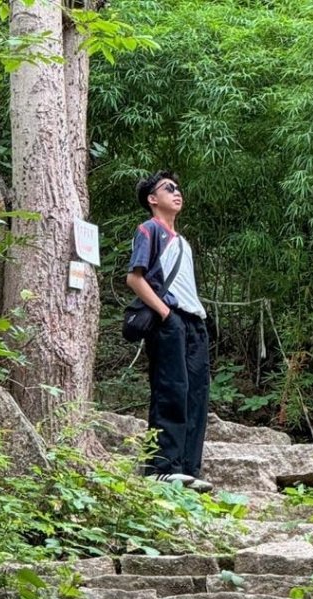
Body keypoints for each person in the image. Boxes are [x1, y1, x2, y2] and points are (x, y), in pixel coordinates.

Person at [126, 171, 212, 493]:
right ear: (152, 199)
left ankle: (189, 469)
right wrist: (165, 313)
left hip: (195, 323)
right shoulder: (149, 230)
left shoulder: (183, 242)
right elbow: (134, 278)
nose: (177, 193)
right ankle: (162, 468)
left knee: (196, 394)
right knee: (171, 389)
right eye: (169, 188)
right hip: (170, 319)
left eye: (178, 188)